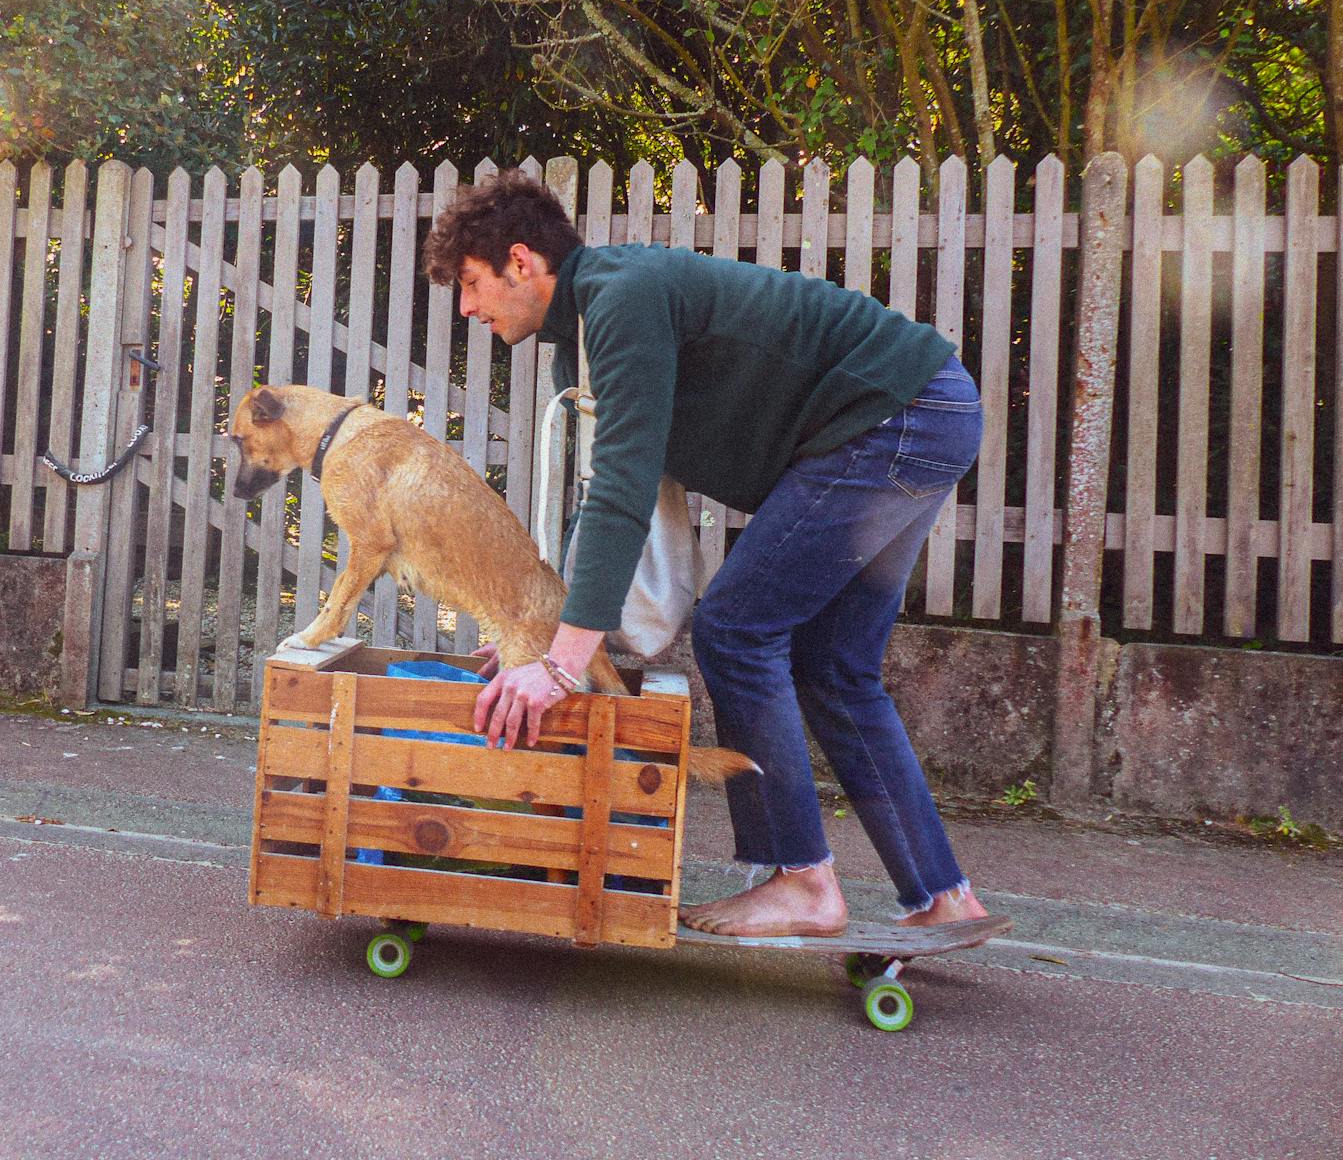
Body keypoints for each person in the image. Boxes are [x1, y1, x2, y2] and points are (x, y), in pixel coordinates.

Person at [421, 169, 990, 937]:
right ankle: (943, 897)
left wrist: (558, 669)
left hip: (895, 418)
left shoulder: (621, 301)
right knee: (833, 665)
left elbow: (624, 490)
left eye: (471, 283)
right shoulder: (587, 338)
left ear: (522, 262)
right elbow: (605, 502)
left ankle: (803, 883)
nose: (467, 307)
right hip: (923, 410)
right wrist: (544, 635)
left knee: (736, 630)